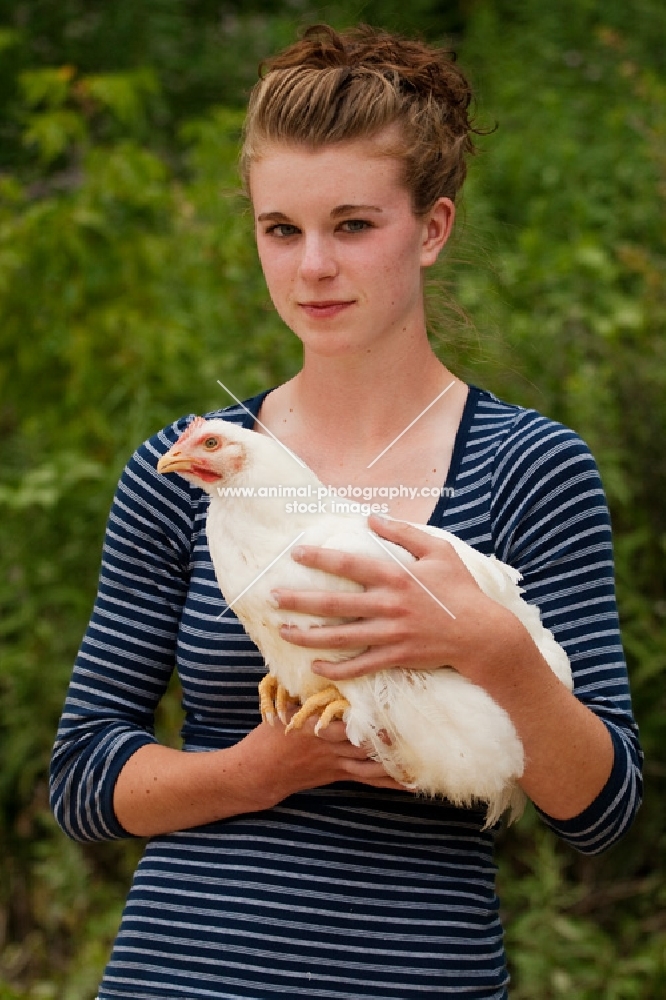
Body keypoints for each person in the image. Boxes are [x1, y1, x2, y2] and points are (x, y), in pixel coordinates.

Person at [50, 23, 642, 1000]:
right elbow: (81, 779)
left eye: (353, 225)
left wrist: (490, 646)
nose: (312, 265)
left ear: (434, 226)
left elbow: (603, 809)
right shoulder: (201, 465)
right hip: (182, 972)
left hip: (415, 976)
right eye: (281, 228)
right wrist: (258, 770)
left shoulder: (531, 469)